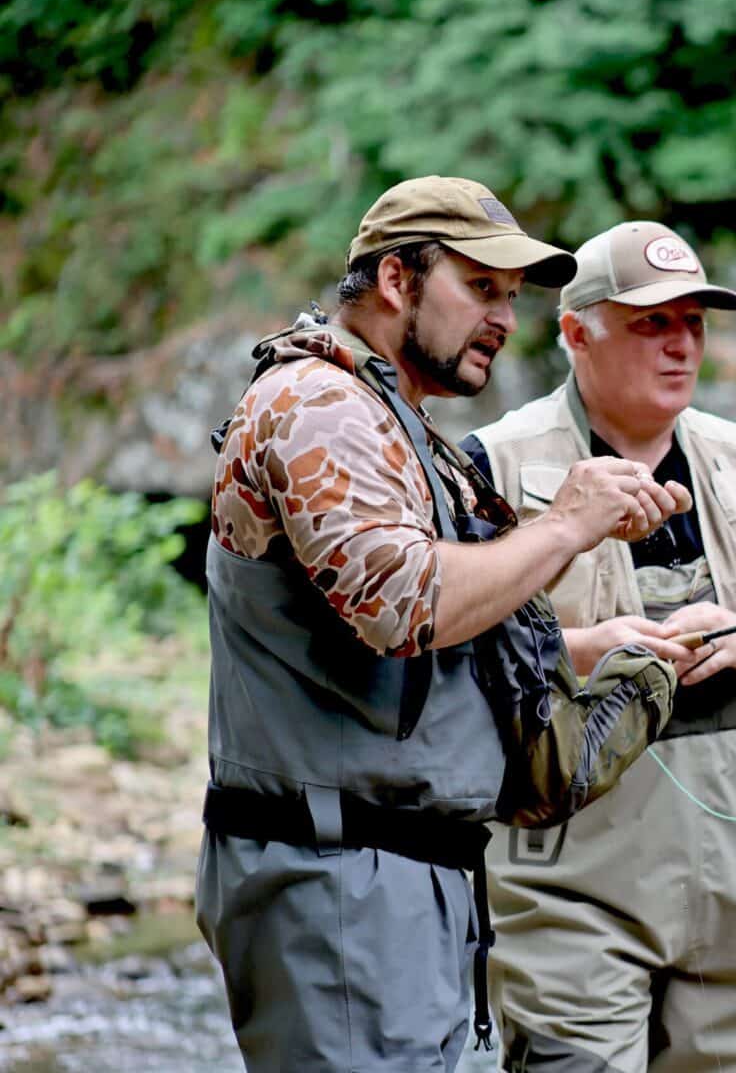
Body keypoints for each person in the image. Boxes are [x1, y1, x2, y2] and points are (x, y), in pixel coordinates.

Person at [196, 177, 692, 1072]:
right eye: (482, 288)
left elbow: (399, 647)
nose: (505, 318)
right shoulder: (317, 405)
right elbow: (402, 606)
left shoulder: (390, 417)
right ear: (396, 280)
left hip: (391, 879)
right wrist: (565, 525)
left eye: (511, 296)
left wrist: (589, 647)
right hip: (338, 882)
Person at [465, 221, 736, 1072]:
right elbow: (442, 656)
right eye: (651, 323)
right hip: (568, 875)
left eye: (693, 323)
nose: (680, 346)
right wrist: (596, 648)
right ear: (575, 333)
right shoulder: (492, 464)